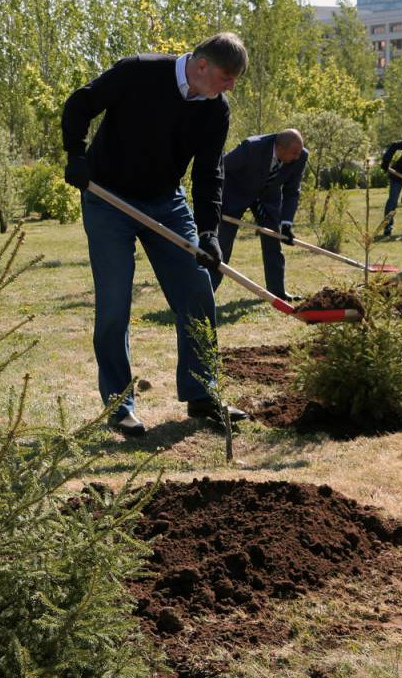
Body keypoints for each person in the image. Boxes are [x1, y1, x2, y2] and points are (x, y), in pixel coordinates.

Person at [60, 32, 249, 436]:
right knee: (114, 303)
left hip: (166, 201)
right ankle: (119, 406)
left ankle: (202, 394)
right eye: (227, 76)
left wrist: (209, 230)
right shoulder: (139, 72)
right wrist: (75, 153)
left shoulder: (216, 109)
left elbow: (209, 171)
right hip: (107, 198)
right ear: (201, 66)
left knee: (196, 290)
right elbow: (80, 103)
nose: (231, 85)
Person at [213, 129, 307, 302]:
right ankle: (207, 292)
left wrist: (286, 224)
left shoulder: (300, 156)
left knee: (273, 240)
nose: (297, 157)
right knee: (223, 243)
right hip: (236, 193)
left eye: (299, 152)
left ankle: (277, 292)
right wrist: (213, 201)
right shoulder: (251, 147)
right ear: (279, 148)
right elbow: (221, 168)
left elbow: (292, 191)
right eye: (294, 153)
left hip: (267, 197)